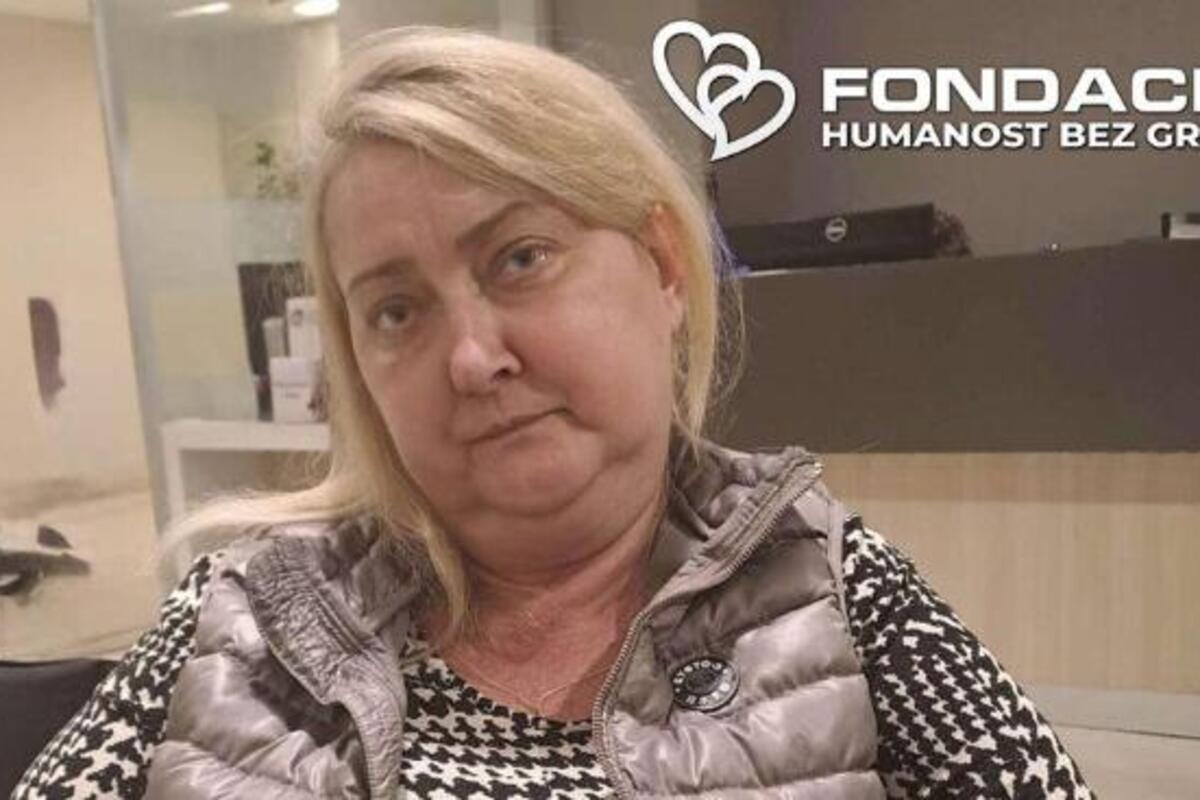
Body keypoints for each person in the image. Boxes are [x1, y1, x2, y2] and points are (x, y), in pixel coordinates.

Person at [15, 27, 1092, 799]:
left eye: (520, 257)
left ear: (663, 266)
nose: (472, 357)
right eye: (396, 309)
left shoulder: (829, 586)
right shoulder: (245, 615)